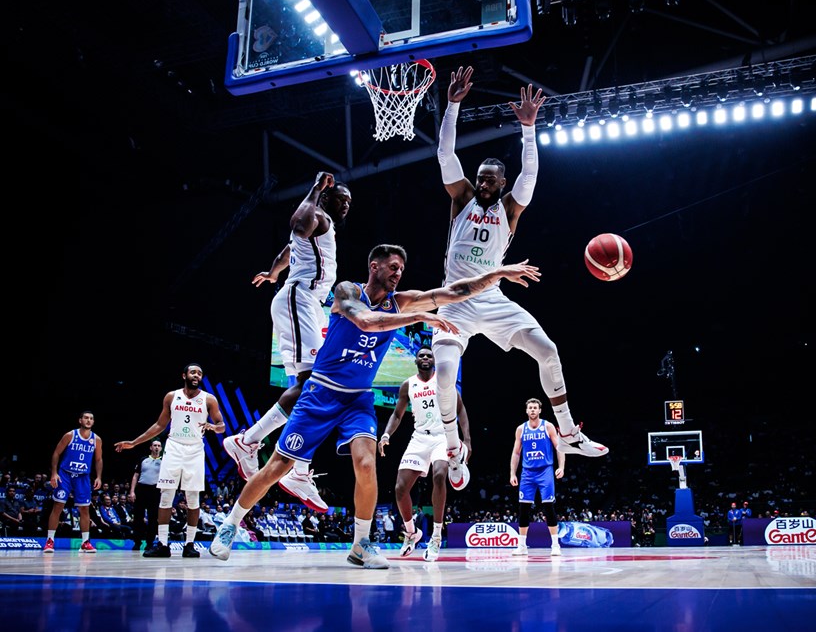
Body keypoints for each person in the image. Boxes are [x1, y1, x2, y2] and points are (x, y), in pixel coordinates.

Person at [208, 243, 540, 569]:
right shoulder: (347, 292)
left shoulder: (402, 302)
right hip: (321, 391)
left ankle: (360, 544)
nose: (398, 273)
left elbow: (455, 291)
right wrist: (420, 316)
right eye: (393, 266)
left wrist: (499, 273)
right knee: (277, 467)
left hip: (358, 398)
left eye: (402, 269)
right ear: (375, 266)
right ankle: (230, 524)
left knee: (367, 464)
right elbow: (366, 322)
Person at [432, 66, 607, 491]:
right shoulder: (461, 200)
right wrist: (453, 105)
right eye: (480, 178)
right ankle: (454, 449)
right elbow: (444, 154)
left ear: (502, 183)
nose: (483, 183)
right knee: (442, 373)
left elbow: (530, 175)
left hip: (492, 299)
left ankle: (567, 431)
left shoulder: (510, 209)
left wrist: (528, 130)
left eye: (490, 179)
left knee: (548, 351)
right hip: (455, 300)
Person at [224, 171, 352, 514]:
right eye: (340, 199)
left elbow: (288, 248)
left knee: (307, 387)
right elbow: (296, 227)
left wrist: (273, 272)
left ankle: (266, 450)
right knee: (315, 385)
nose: (345, 205)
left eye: (349, 202)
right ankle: (261, 448)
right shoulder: (317, 216)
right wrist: (314, 189)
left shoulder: (324, 225)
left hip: (302, 301)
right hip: (300, 301)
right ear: (325, 199)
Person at [115, 363, 226, 559]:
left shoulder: (209, 399)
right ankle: (163, 544)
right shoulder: (171, 396)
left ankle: (189, 544)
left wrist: (213, 426)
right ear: (184, 375)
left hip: (195, 449)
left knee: (193, 498)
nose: (196, 375)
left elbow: (222, 426)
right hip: (174, 446)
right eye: (193, 372)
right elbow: (159, 425)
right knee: (166, 497)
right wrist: (134, 442)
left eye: (199, 373)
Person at [378, 346, 472, 562]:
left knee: (439, 475)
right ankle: (412, 533)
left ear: (434, 360)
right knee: (400, 488)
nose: (426, 358)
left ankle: (436, 536)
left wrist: (467, 440)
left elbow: (461, 410)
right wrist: (385, 435)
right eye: (422, 355)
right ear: (416, 361)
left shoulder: (444, 381)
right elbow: (397, 414)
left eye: (429, 355)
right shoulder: (408, 385)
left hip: (442, 436)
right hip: (419, 437)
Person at [509, 398, 565, 557]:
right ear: (526, 411)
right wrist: (513, 473)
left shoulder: (547, 426)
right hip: (527, 472)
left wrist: (561, 467)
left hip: (545, 470)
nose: (533, 410)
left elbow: (559, 447)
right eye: (530, 408)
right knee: (523, 509)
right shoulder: (521, 429)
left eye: (535, 407)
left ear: (540, 410)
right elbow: (516, 452)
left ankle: (555, 545)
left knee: (548, 506)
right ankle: (522, 546)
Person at [42, 411, 103, 553]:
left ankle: (85, 542)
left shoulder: (97, 439)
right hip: (65, 475)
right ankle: (50, 541)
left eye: (91, 419)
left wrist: (99, 477)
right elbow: (56, 453)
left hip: (83, 476)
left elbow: (98, 459)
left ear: (93, 422)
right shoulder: (70, 435)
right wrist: (54, 473)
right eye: (86, 418)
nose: (88, 420)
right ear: (80, 420)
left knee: (84, 508)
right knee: (58, 506)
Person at [128, 439, 163, 552]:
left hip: (155, 490)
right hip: (142, 489)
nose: (157, 447)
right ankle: (137, 542)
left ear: (161, 448)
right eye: (155, 445)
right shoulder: (143, 459)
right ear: (150, 448)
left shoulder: (164, 461)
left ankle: (149, 543)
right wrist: (132, 491)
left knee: (153, 518)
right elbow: (135, 476)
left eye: (159, 446)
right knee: (138, 517)